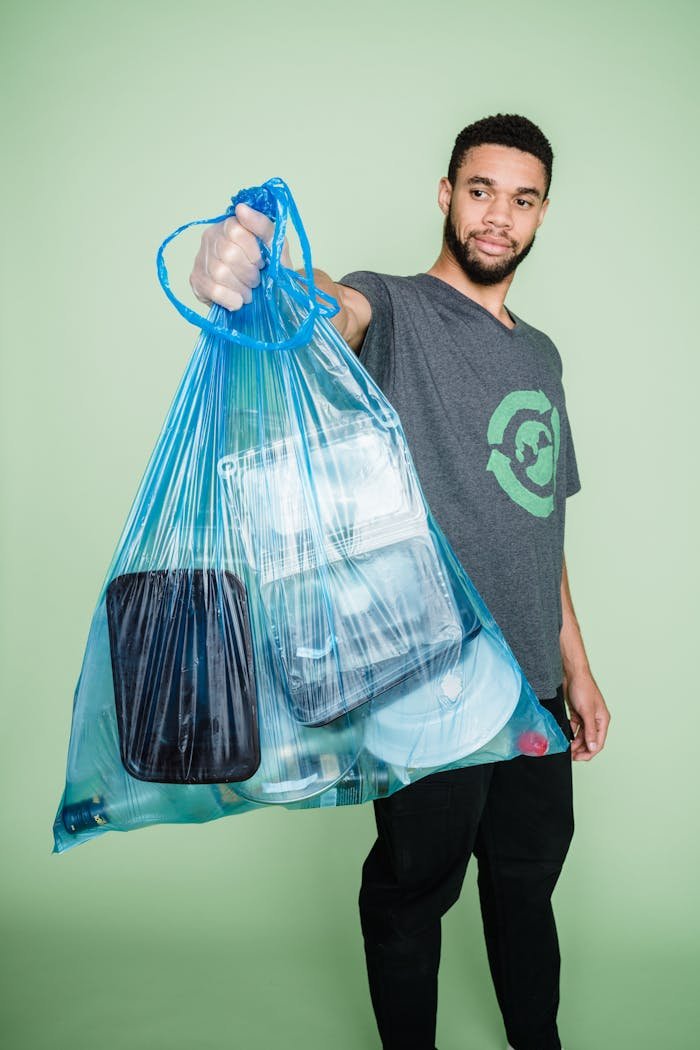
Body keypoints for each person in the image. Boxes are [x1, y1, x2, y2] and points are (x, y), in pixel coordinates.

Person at [189, 113, 611, 1050]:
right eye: (480, 190)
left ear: (542, 215)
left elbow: (543, 519)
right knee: (416, 889)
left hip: (535, 680)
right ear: (446, 194)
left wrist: (576, 666)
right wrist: (251, 273)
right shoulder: (396, 307)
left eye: (522, 198)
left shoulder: (540, 356)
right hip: (431, 681)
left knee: (528, 876)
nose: (498, 216)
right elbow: (326, 305)